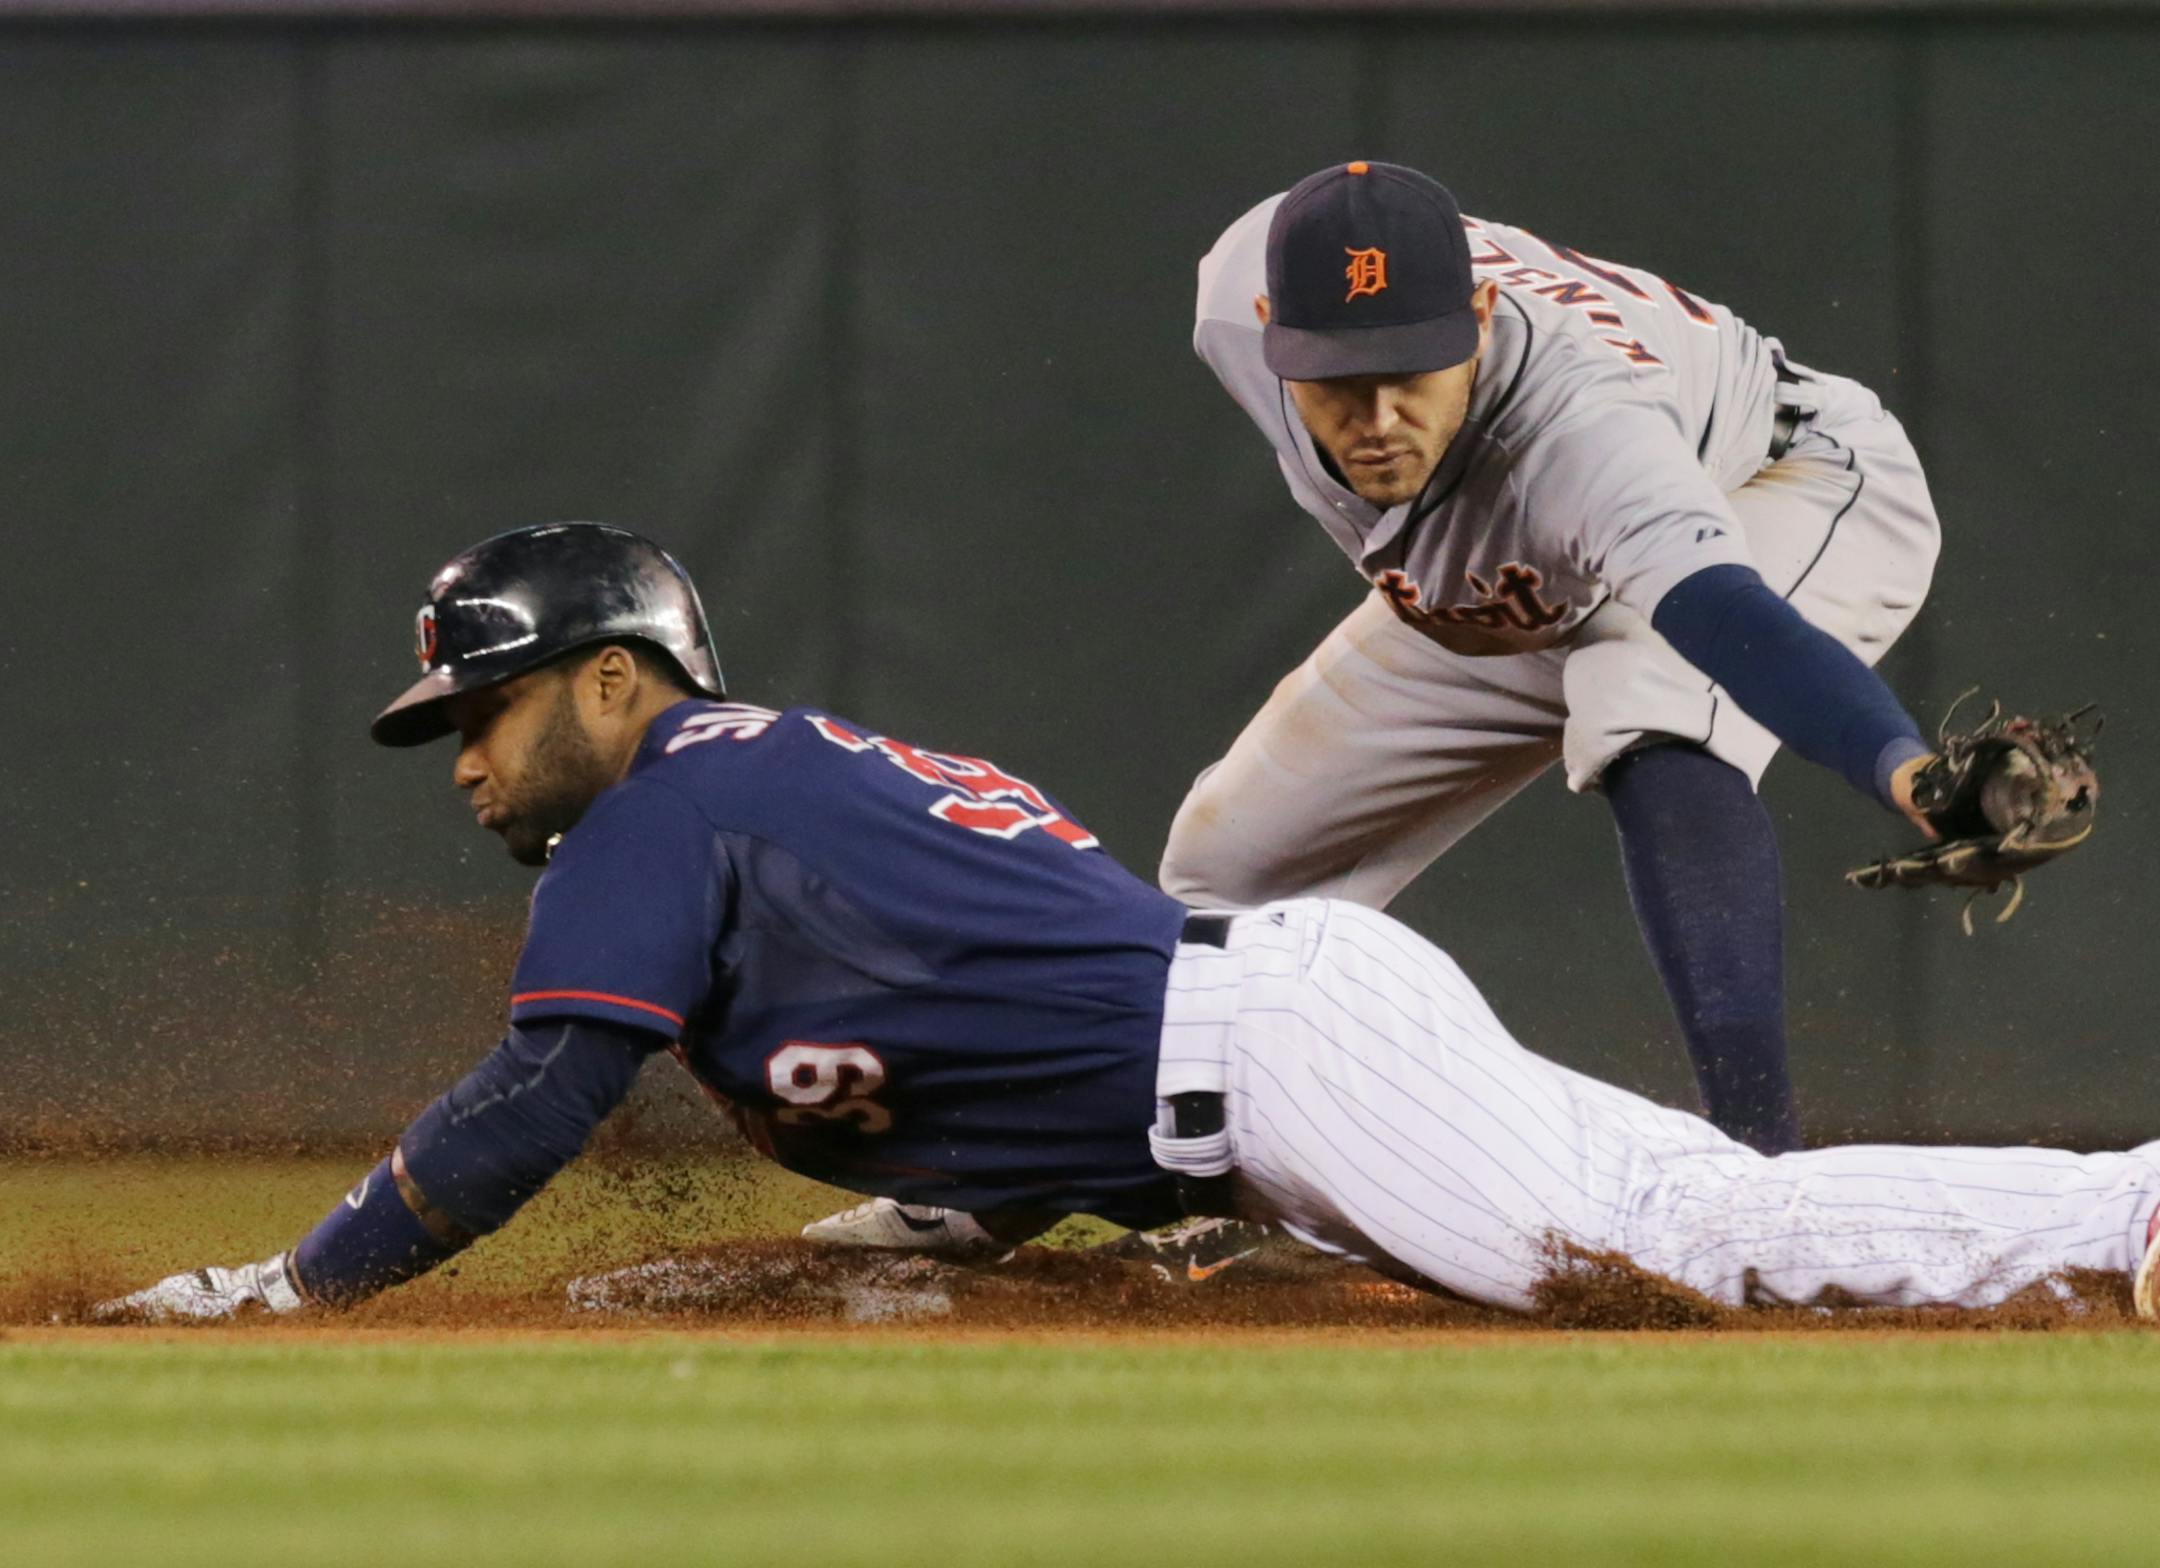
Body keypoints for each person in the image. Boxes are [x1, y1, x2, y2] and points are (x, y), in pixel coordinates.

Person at [100, 523, 2160, 1325]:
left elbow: (540, 1094)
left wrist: (296, 1286)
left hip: (1277, 1058)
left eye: (490, 699)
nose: (463, 751)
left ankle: (2126, 1222)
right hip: (1274, 1038)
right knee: (1688, 1200)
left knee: (1700, 1246)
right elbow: (1007, 1056)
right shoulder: (771, 782)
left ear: (619, 677)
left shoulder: (672, 796)